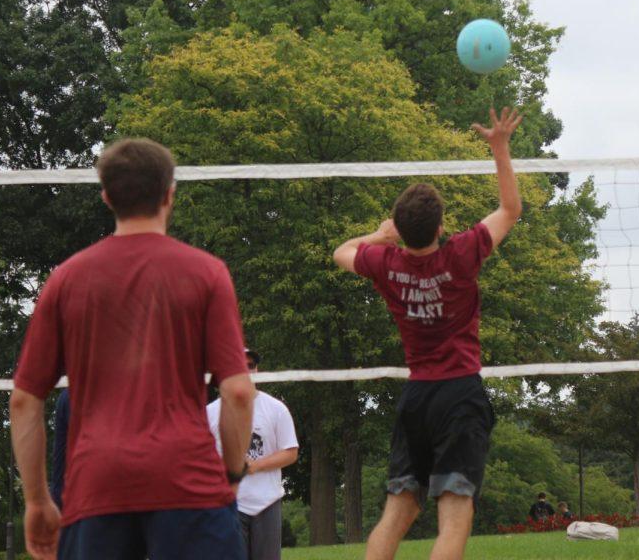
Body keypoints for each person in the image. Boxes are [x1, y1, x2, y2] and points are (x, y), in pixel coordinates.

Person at [10, 138, 257, 560]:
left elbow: (24, 401)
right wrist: (233, 473)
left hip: (96, 484)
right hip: (188, 479)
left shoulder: (65, 280)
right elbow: (237, 392)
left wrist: (36, 501)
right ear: (170, 193)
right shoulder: (206, 273)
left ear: (106, 197)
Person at [334, 106, 523, 560]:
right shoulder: (460, 254)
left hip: (417, 398)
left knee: (397, 511)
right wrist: (499, 147)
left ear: (401, 230)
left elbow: (343, 251)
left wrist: (381, 237)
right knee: (455, 513)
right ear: (441, 226)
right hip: (458, 395)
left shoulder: (386, 262)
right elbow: (511, 209)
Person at [207, 348, 300, 560]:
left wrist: (252, 467)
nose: (247, 371)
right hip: (229, 504)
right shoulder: (211, 413)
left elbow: (290, 452)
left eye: (251, 366)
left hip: (267, 503)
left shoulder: (276, 409)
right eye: (240, 366)